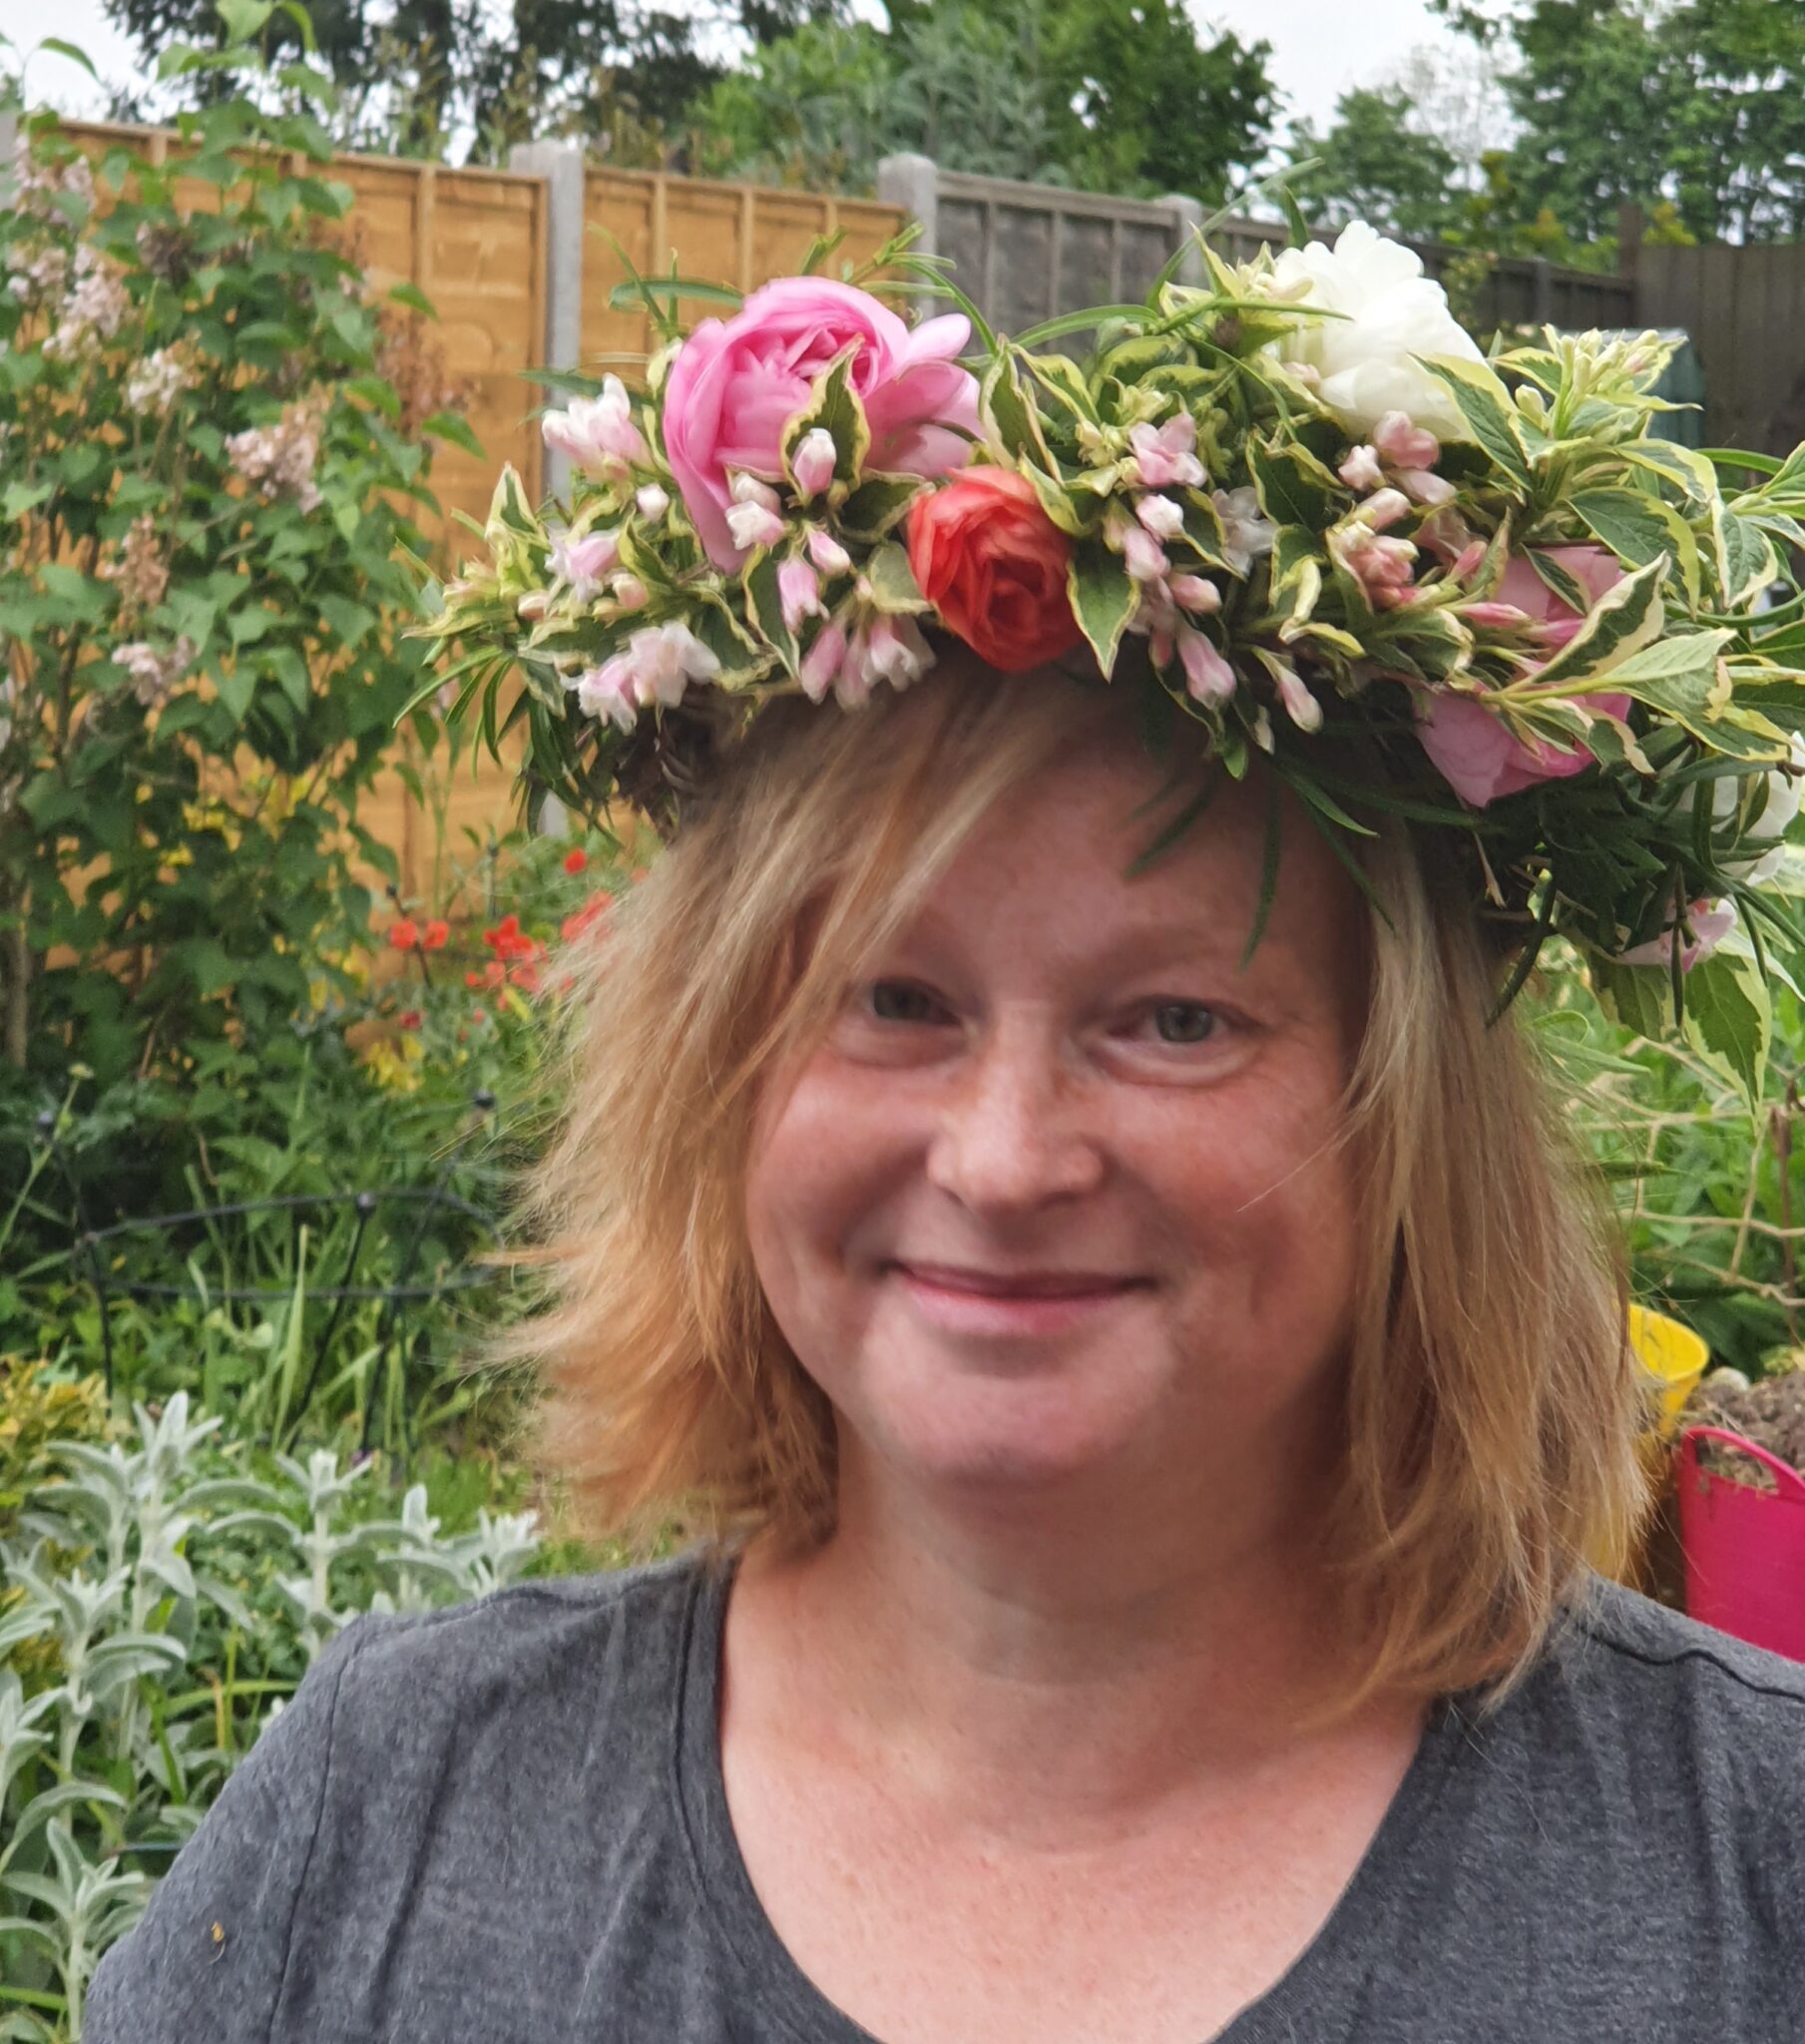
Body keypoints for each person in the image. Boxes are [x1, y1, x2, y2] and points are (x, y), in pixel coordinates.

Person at [90, 228, 1805, 2042]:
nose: (1001, 1161)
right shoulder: (389, 1816)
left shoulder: (1741, 1881)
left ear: (1407, 1123)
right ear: (715, 1073)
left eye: (1175, 1020)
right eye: (894, 1000)